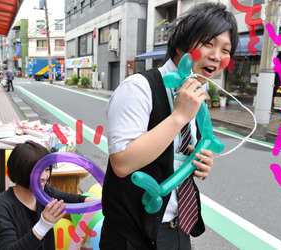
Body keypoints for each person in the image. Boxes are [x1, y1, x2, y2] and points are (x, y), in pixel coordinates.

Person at [101, 3, 239, 250]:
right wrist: (179, 117)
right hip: (130, 236)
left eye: (225, 50)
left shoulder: (196, 94)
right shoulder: (138, 88)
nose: (217, 56)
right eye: (208, 43)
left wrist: (198, 164)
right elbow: (122, 163)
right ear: (180, 45)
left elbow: (175, 153)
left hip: (178, 229)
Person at [0, 141, 98, 249]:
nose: (44, 176)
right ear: (21, 171)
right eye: (38, 172)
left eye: (47, 169)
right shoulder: (2, 206)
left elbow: (74, 199)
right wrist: (43, 225)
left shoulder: (46, 192)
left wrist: (102, 201)